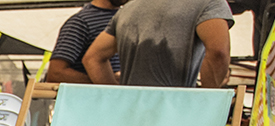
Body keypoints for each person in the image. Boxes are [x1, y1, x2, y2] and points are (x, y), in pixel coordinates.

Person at [83, 0, 233, 89]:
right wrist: (206, 100)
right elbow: (218, 52)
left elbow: (92, 58)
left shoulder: (129, 7)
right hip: (176, 112)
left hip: (130, 113)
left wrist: (118, 96)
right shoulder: (209, 2)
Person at [45, 0, 126, 85]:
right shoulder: (80, 22)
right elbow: (56, 73)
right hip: (96, 96)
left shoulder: (127, 18)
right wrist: (105, 80)